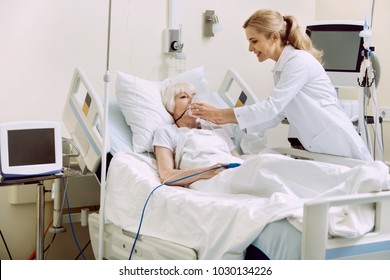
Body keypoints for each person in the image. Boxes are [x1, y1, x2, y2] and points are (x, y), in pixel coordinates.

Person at [190, 9, 373, 162]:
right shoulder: (282, 68)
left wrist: (221, 114)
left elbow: (271, 108)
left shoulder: (298, 62)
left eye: (254, 41)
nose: (250, 48)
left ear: (274, 37)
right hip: (324, 148)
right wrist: (229, 122)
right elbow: (277, 114)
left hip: (339, 145)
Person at [153, 81, 243, 187]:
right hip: (210, 180)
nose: (192, 100)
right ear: (171, 107)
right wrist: (206, 172)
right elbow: (167, 175)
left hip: (237, 171)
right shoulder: (167, 132)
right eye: (183, 97)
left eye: (194, 95)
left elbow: (239, 160)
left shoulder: (217, 130)